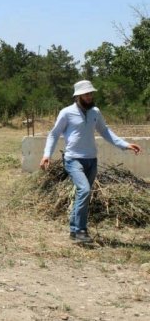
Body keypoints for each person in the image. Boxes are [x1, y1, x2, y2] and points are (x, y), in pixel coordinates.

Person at [40, 80, 141, 244]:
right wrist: (46, 155)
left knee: (83, 195)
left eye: (91, 93)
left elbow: (105, 131)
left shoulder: (95, 112)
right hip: (73, 159)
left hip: (91, 160)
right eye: (86, 94)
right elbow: (54, 134)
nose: (90, 96)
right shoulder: (66, 113)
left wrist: (125, 145)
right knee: (84, 190)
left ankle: (74, 230)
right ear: (78, 96)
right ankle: (81, 230)